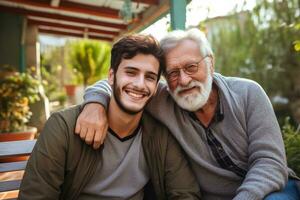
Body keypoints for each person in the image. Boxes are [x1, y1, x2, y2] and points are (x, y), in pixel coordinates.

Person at [76, 28, 300, 200]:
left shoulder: (248, 93)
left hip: (272, 190)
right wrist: (95, 103)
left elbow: (269, 162)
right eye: (173, 73)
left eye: (191, 67)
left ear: (210, 64)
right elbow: (121, 84)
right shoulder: (164, 99)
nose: (183, 80)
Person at [18, 34, 201, 200]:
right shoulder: (63, 127)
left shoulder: (161, 136)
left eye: (150, 77)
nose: (139, 84)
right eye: (131, 72)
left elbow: (185, 194)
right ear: (111, 76)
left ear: (156, 87)